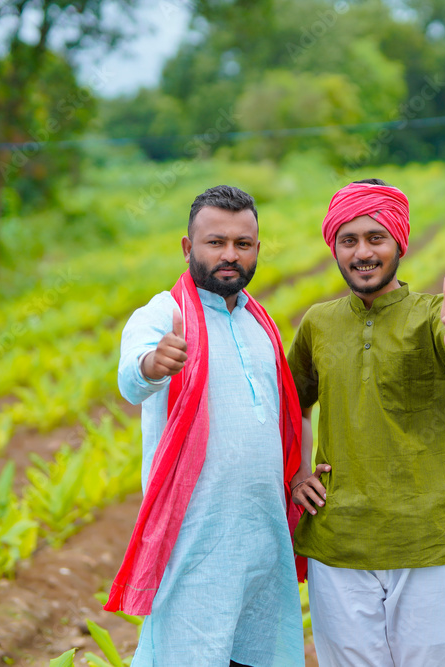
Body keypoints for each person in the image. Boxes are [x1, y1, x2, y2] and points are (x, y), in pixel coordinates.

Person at [287, 179, 445, 666]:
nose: (362, 252)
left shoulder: (428, 316)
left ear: (399, 242)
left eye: (375, 238)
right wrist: (296, 471)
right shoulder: (318, 323)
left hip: (428, 538)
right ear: (334, 246)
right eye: (349, 240)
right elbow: (294, 404)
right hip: (339, 541)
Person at [106, 185, 306, 667]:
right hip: (196, 537)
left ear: (257, 248)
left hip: (263, 536)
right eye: (215, 242)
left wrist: (297, 475)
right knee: (190, 652)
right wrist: (154, 363)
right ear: (187, 247)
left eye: (243, 244)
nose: (229, 255)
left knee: (258, 654)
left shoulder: (262, 324)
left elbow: (286, 416)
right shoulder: (164, 312)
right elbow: (132, 377)